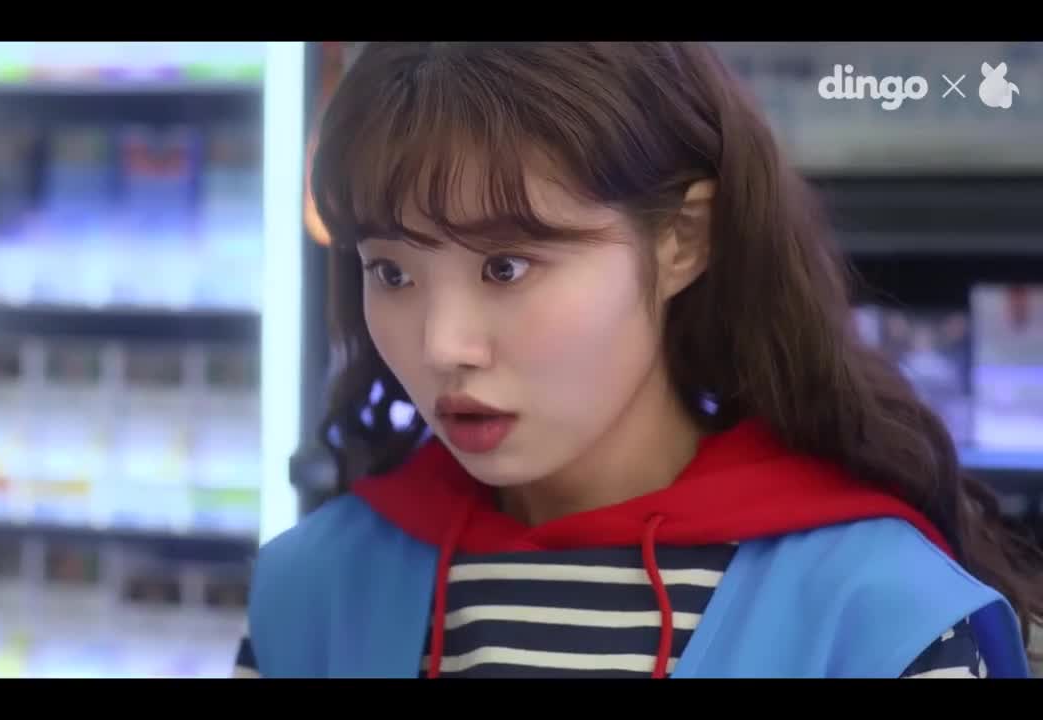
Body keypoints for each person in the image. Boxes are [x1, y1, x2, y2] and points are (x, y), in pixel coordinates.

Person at [233, 42, 1042, 678]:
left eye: (505, 267)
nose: (442, 345)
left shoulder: (877, 613)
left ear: (682, 239)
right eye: (391, 272)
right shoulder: (313, 589)